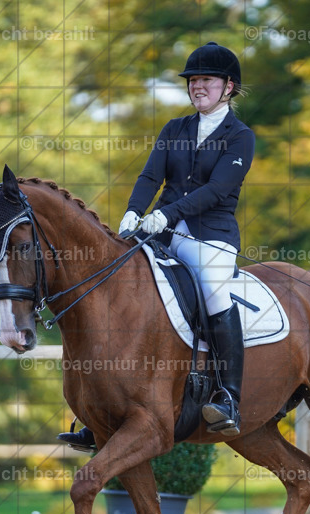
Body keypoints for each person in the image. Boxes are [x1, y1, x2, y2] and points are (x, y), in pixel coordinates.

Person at [59, 42, 254, 450]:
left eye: (207, 80)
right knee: (114, 285)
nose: (198, 87)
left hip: (210, 235)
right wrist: (133, 210)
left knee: (216, 292)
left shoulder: (240, 137)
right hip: (158, 231)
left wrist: (169, 213)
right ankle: (97, 412)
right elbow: (151, 176)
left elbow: (219, 190)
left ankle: (229, 398)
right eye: (193, 81)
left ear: (228, 87)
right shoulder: (174, 128)